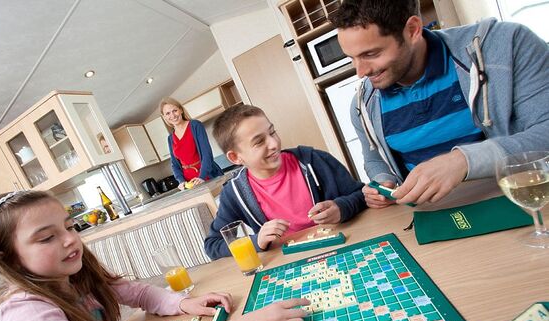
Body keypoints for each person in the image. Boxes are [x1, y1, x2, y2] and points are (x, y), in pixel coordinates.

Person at [0, 190, 309, 321]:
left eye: (69, 226)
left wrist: (180, 303)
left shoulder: (73, 273)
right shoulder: (21, 312)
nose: (69, 239)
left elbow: (136, 292)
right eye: (47, 237)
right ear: (11, 259)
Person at [330, 0, 549, 208]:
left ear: (413, 30)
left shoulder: (507, 44)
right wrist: (383, 181)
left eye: (371, 54)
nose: (361, 72)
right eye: (352, 58)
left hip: (520, 202)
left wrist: (462, 161)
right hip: (435, 219)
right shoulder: (362, 105)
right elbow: (375, 159)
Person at [204, 105, 367, 260]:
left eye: (272, 132)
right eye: (259, 142)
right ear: (235, 157)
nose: (274, 144)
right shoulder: (234, 193)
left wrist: (343, 207)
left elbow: (363, 195)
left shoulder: (314, 161)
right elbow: (212, 245)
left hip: (342, 247)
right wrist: (256, 241)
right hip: (290, 264)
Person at [160, 97, 223, 190]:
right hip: (189, 184)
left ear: (181, 110)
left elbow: (207, 154)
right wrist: (181, 180)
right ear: (164, 117)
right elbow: (174, 164)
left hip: (206, 176)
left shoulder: (195, 125)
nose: (172, 115)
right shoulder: (170, 138)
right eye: (168, 113)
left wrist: (202, 177)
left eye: (175, 110)